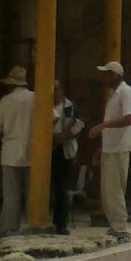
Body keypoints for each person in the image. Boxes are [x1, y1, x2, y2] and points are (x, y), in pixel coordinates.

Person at [86, 61, 131, 243]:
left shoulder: (125, 92)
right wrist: (103, 147)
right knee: (108, 190)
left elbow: (130, 118)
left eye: (107, 74)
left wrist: (102, 126)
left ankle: (121, 228)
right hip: (111, 148)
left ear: (115, 75)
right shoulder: (114, 94)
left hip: (119, 149)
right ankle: (116, 225)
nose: (104, 77)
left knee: (114, 190)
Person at [0, 66, 34, 234]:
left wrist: (7, 130)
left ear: (11, 84)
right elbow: (53, 119)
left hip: (11, 151)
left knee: (11, 193)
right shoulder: (36, 98)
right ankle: (33, 224)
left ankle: (10, 227)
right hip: (32, 150)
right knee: (32, 192)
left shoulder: (6, 101)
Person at [50, 81, 84, 235]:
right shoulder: (43, 105)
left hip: (64, 151)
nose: (54, 92)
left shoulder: (70, 107)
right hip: (46, 149)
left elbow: (80, 124)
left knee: (62, 188)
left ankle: (60, 224)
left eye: (56, 89)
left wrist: (65, 136)